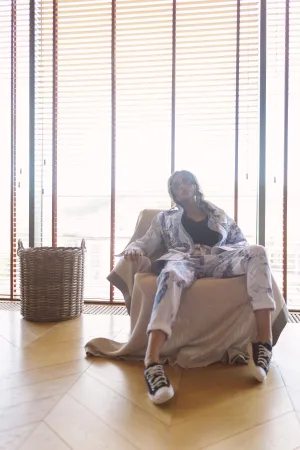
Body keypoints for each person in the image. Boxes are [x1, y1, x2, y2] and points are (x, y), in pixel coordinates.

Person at [122, 170, 275, 405]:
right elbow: (147, 241)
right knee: (169, 273)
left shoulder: (217, 213)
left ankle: (263, 344)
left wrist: (237, 254)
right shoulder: (165, 217)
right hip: (184, 260)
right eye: (177, 184)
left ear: (195, 185)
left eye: (187, 181)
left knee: (257, 250)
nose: (183, 185)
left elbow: (240, 241)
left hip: (219, 259)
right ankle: (152, 363)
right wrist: (135, 249)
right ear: (173, 192)